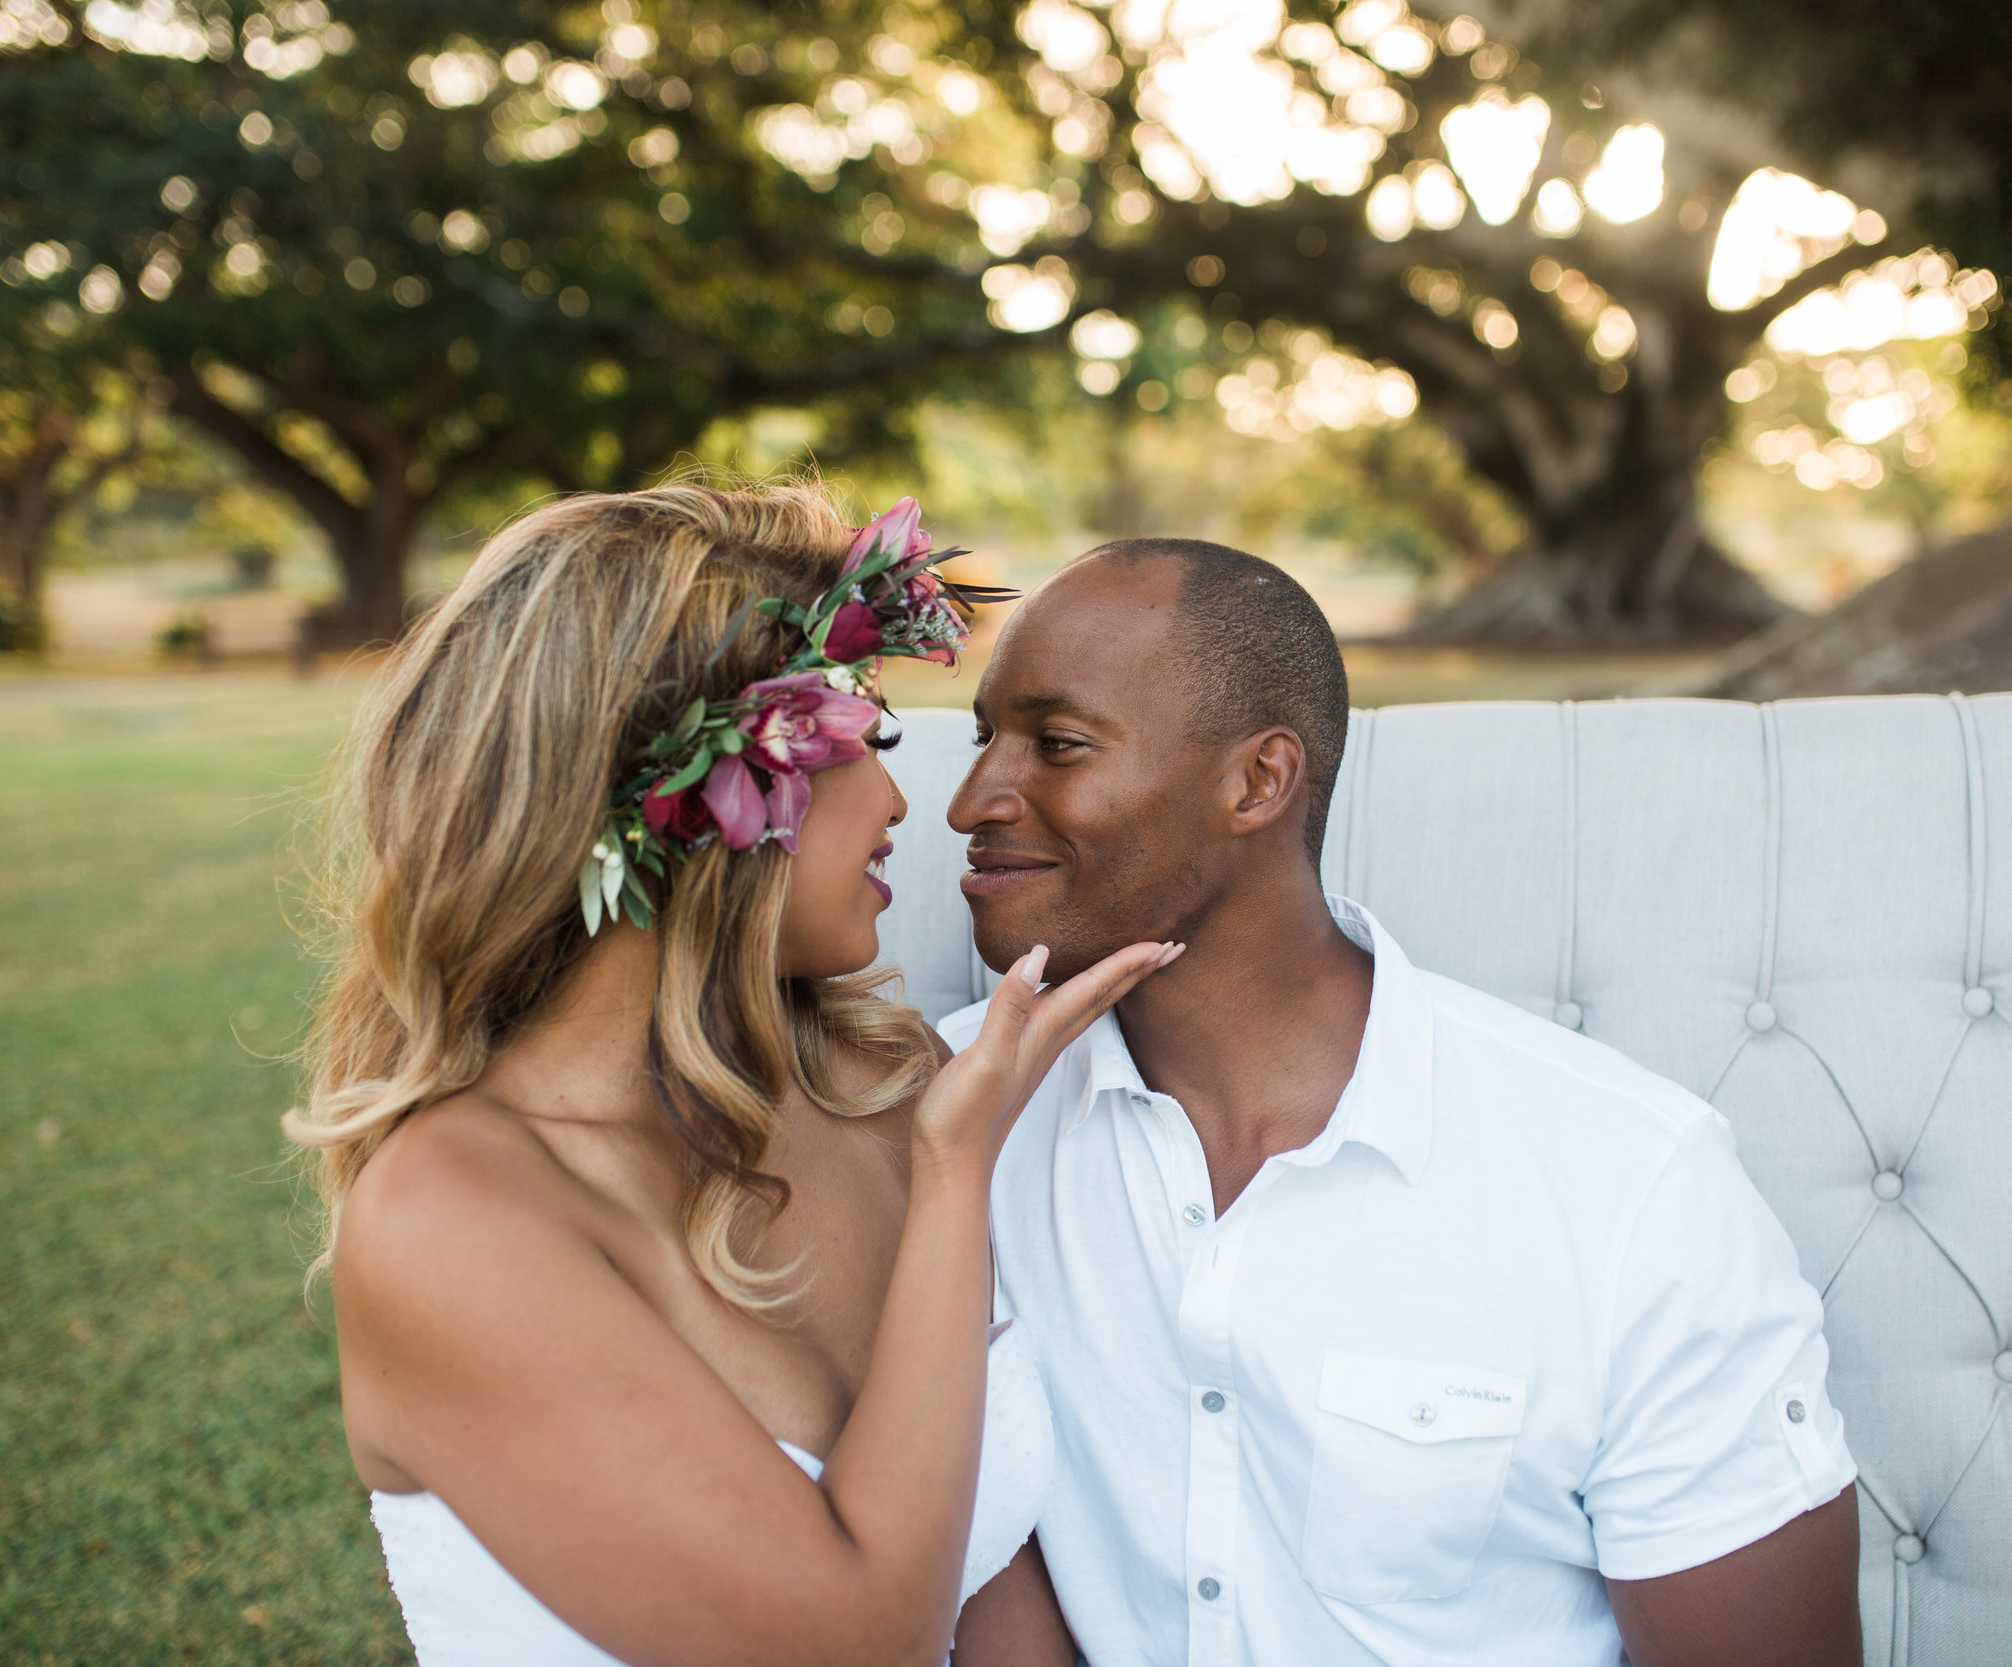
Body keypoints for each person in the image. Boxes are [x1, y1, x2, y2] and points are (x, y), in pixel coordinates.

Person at [282, 482, 1176, 1667]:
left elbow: (988, 1566)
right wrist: (956, 1172)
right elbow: (862, 1643)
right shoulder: (454, 1217)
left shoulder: (870, 1081)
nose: (907, 798)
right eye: (861, 742)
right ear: (708, 799)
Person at [941, 538, 1864, 1667]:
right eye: (982, 736)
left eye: (1056, 743)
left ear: (1257, 782)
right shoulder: (940, 1128)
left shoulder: (1625, 1183)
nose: (970, 799)